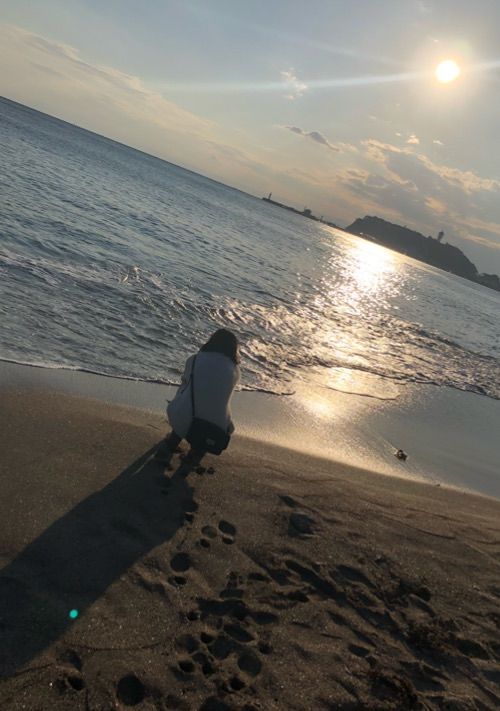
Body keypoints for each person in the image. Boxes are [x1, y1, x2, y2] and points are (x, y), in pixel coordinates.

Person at [156, 328, 240, 473]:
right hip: (215, 429)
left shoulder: (194, 359)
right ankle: (194, 456)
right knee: (212, 413)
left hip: (186, 419)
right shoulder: (235, 371)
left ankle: (171, 443)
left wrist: (175, 403)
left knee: (184, 408)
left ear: (211, 341)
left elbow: (184, 387)